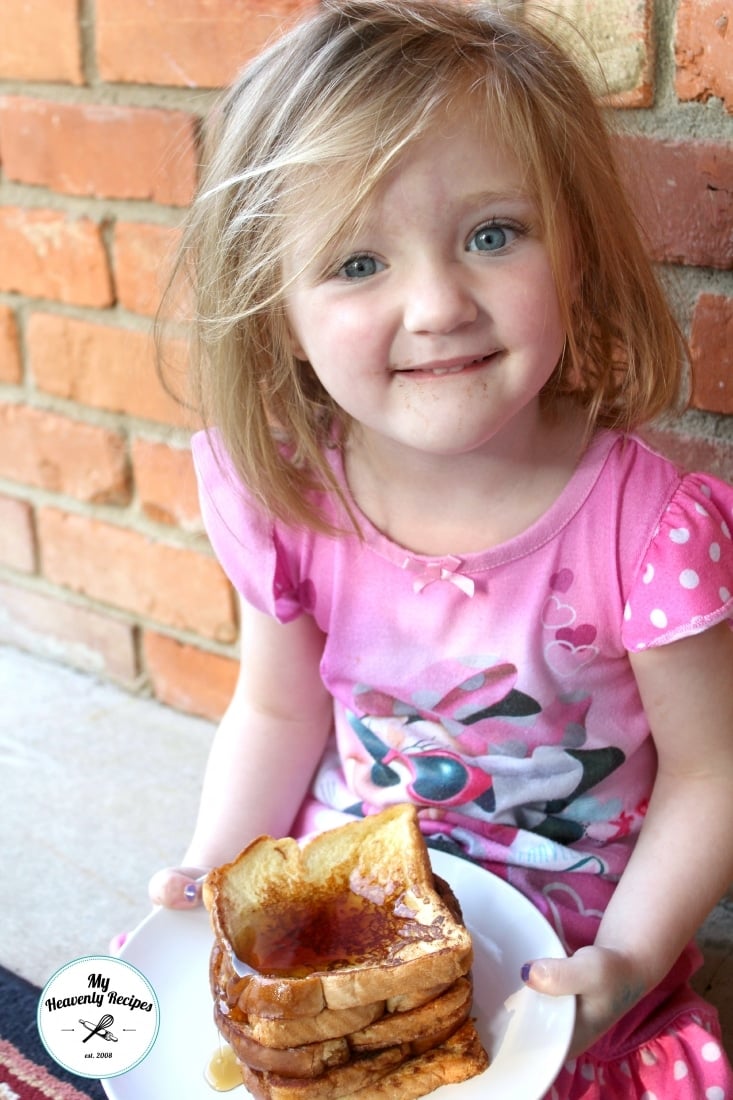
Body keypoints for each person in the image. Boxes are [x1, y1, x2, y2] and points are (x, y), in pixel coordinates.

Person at [148, 1, 733, 1095]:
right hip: (352, 940)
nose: (436, 304)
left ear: (577, 252)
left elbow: (715, 770)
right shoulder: (288, 489)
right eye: (358, 260)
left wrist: (630, 958)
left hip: (566, 975)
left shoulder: (648, 530)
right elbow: (278, 709)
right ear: (276, 306)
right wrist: (216, 866)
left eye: (491, 234)